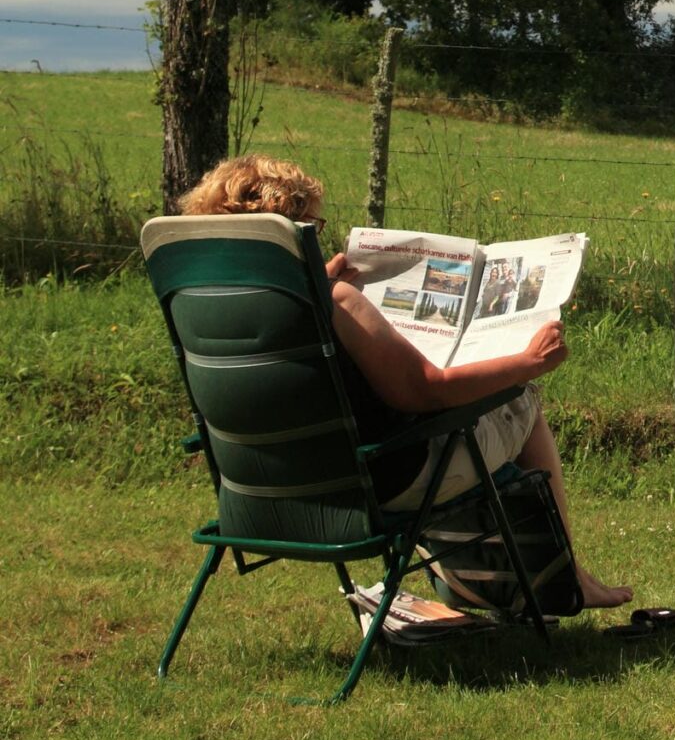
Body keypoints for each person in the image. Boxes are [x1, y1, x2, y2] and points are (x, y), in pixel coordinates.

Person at [177, 155, 633, 610]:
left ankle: (480, 575)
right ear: (294, 233)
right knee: (522, 401)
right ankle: (568, 575)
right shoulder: (337, 302)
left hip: (261, 492)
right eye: (314, 225)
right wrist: (527, 362)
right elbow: (424, 390)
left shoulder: (200, 302)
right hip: (379, 488)